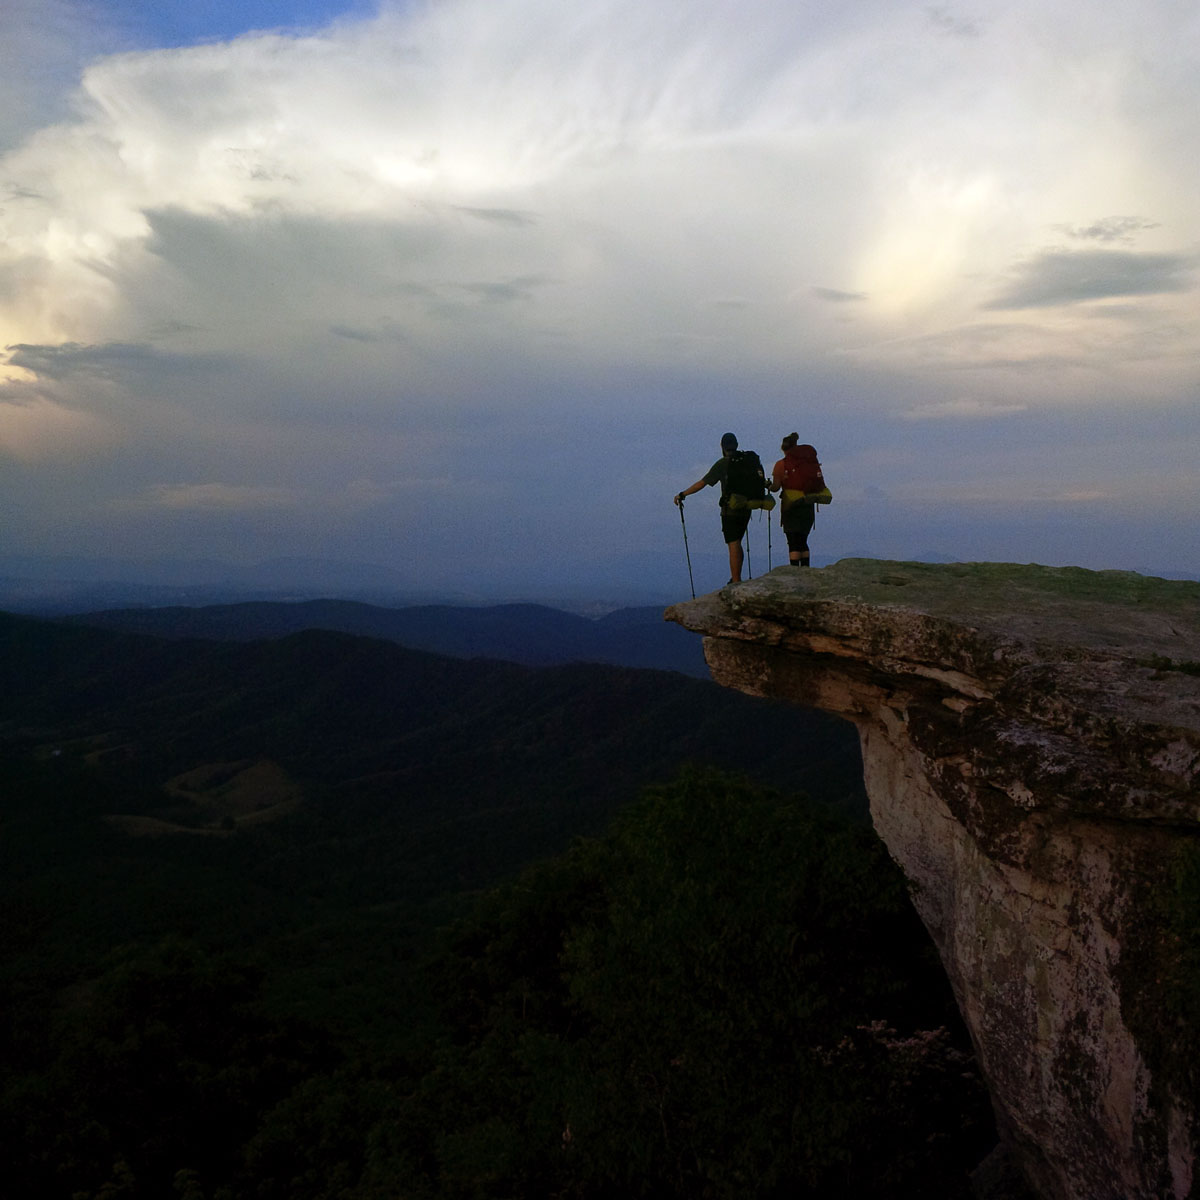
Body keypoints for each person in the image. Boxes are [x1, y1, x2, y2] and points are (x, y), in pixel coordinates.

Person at [674, 432, 765, 584]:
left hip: (730, 509)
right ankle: (737, 577)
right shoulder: (747, 460)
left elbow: (702, 483)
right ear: (736, 445)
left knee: (733, 543)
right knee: (737, 541)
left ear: (722, 447)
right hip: (747, 507)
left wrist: (683, 494)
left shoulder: (723, 463)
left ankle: (736, 581)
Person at [770, 433, 825, 567]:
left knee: (793, 541)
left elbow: (776, 487)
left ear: (783, 449)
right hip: (808, 504)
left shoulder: (781, 464)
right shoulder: (808, 462)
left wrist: (769, 486)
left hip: (791, 506)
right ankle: (806, 570)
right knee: (803, 540)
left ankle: (795, 572)